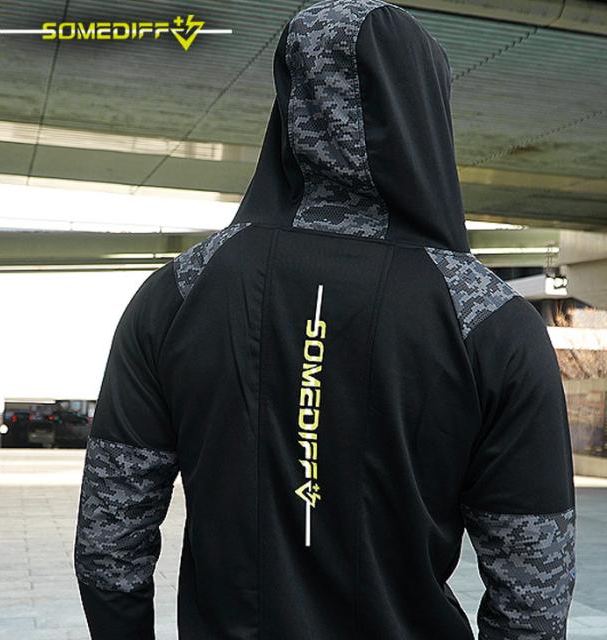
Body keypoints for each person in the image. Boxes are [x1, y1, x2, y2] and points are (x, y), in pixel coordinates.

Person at [74, 1, 576, 638]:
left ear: (289, 102)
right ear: (425, 108)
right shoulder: (489, 321)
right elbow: (533, 588)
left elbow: (109, 540)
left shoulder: (178, 294)